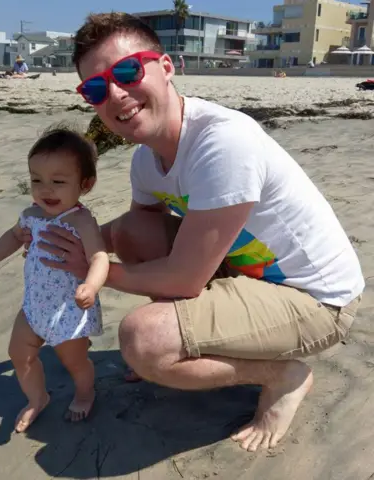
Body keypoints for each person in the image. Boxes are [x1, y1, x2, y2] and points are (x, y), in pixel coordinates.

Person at [22, 13, 364, 452]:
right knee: (131, 232)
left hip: (317, 299)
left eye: (127, 71)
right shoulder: (146, 160)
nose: (115, 94)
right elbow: (131, 234)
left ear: (166, 67)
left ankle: (284, 376)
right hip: (249, 277)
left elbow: (184, 279)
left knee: (141, 340)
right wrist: (57, 233)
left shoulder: (222, 143)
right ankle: (183, 344)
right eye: (95, 88)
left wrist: (94, 269)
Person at [0, 127, 109, 431]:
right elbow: (13, 237)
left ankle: (85, 394)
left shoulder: (81, 220)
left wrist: (91, 284)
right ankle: (37, 398)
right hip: (33, 305)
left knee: (75, 361)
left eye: (58, 182)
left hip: (68, 309)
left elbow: (99, 257)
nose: (46, 190)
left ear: (86, 184)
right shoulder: (32, 215)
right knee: (19, 354)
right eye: (36, 180)